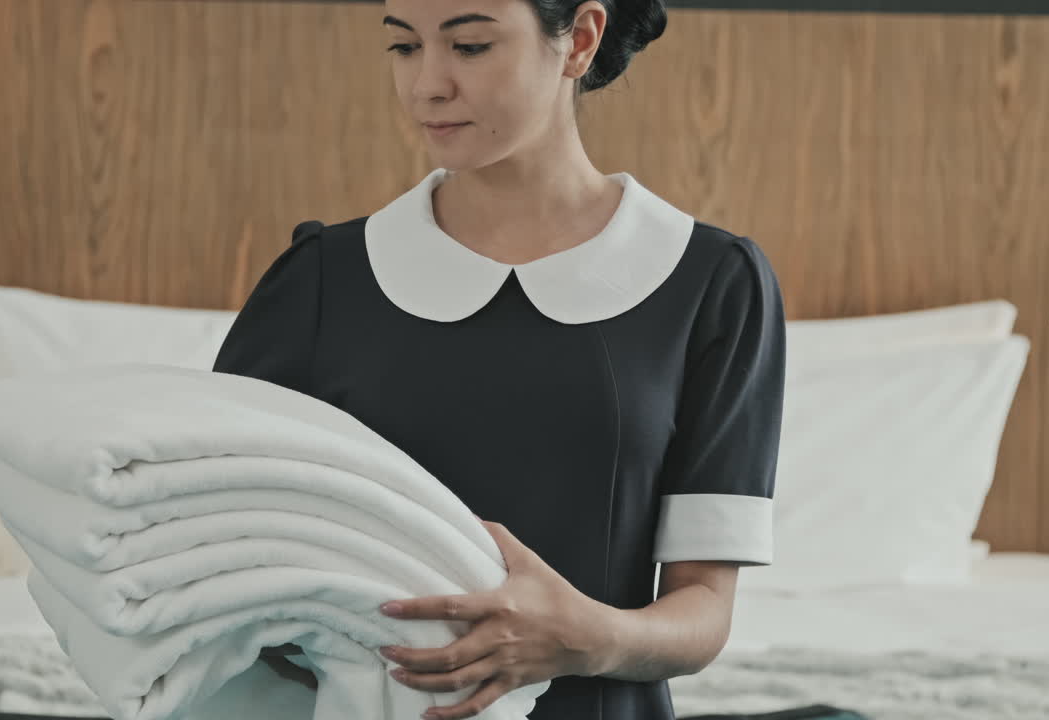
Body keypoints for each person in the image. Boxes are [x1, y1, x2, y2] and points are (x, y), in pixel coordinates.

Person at [212, 0, 787, 718]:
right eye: (403, 48)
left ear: (579, 39)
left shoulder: (708, 282)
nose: (427, 85)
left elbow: (703, 607)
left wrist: (586, 638)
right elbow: (218, 556)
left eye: (471, 46)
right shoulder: (319, 282)